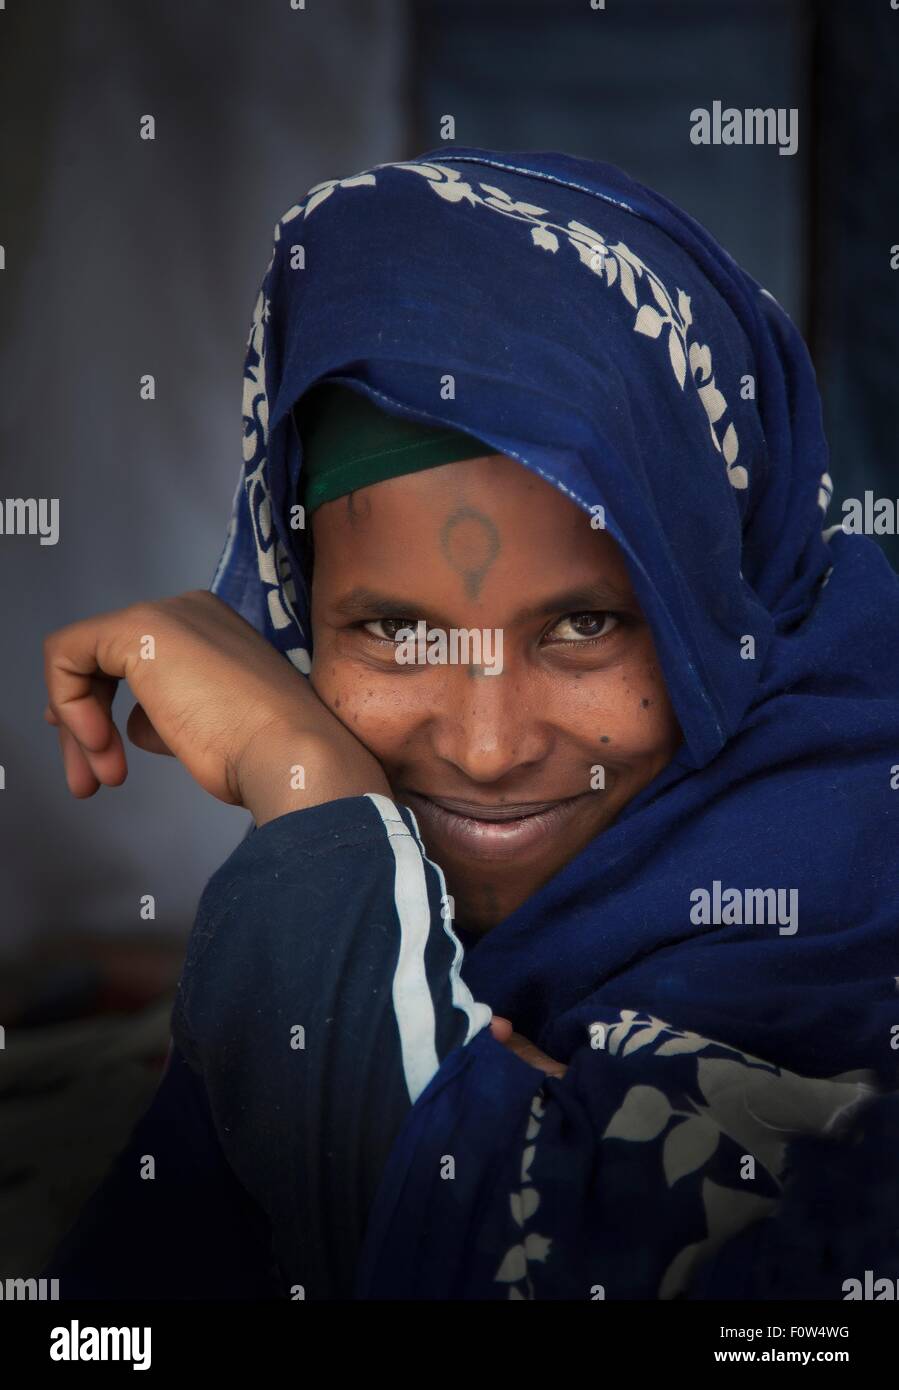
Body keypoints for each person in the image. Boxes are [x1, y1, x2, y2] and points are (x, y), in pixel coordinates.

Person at [43, 148, 899, 1301]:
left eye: (586, 623)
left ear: (717, 598)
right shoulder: (389, 889)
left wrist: (303, 782)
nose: (487, 748)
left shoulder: (844, 892)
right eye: (394, 630)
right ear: (296, 607)